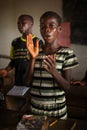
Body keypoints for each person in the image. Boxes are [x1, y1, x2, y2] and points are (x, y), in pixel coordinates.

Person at [24, 11, 79, 119]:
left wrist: (54, 71)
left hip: (57, 112)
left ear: (59, 29)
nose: (47, 30)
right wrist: (33, 58)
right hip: (35, 110)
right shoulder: (34, 51)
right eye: (43, 27)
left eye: (51, 26)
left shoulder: (67, 53)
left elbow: (67, 87)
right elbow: (27, 83)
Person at [0, 14, 42, 86]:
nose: (20, 25)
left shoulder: (38, 42)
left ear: (31, 24)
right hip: (18, 82)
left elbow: (39, 63)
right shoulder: (15, 42)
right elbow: (13, 61)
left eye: (23, 23)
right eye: (18, 23)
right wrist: (6, 70)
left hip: (33, 83)